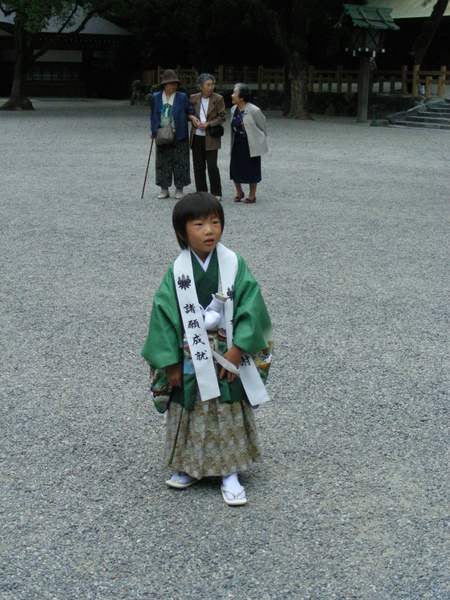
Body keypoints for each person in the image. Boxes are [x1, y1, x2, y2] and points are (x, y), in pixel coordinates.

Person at [141, 193, 273, 506]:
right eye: (199, 224)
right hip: (189, 355)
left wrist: (239, 349)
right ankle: (190, 466)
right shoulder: (177, 272)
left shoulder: (233, 264)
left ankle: (229, 472)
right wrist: (170, 362)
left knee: (226, 407)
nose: (209, 230)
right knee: (191, 406)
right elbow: (164, 315)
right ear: (181, 232)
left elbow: (251, 307)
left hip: (227, 352)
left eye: (215, 222)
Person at [150, 69, 201, 199]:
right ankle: (164, 189)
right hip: (162, 132)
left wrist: (193, 118)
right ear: (164, 85)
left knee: (181, 161)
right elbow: (153, 114)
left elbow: (190, 110)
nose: (173, 86)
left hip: (179, 133)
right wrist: (153, 129)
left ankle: (179, 189)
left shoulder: (182, 97)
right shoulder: (156, 97)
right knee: (162, 161)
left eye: (175, 83)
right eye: (170, 83)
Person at [189, 74, 226, 201]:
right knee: (198, 165)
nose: (210, 87)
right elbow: (188, 113)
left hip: (211, 136)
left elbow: (222, 117)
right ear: (200, 87)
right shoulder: (194, 98)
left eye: (212, 84)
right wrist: (193, 120)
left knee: (212, 165)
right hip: (197, 136)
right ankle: (201, 191)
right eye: (207, 85)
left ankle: (216, 192)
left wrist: (209, 124)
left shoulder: (218, 98)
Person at [230, 83, 268, 204]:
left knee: (252, 168)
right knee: (235, 168)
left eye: (235, 93)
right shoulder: (233, 109)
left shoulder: (254, 110)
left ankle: (252, 195)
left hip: (250, 143)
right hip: (237, 142)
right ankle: (239, 191)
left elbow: (263, 125)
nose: (232, 95)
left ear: (241, 98)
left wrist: (260, 137)